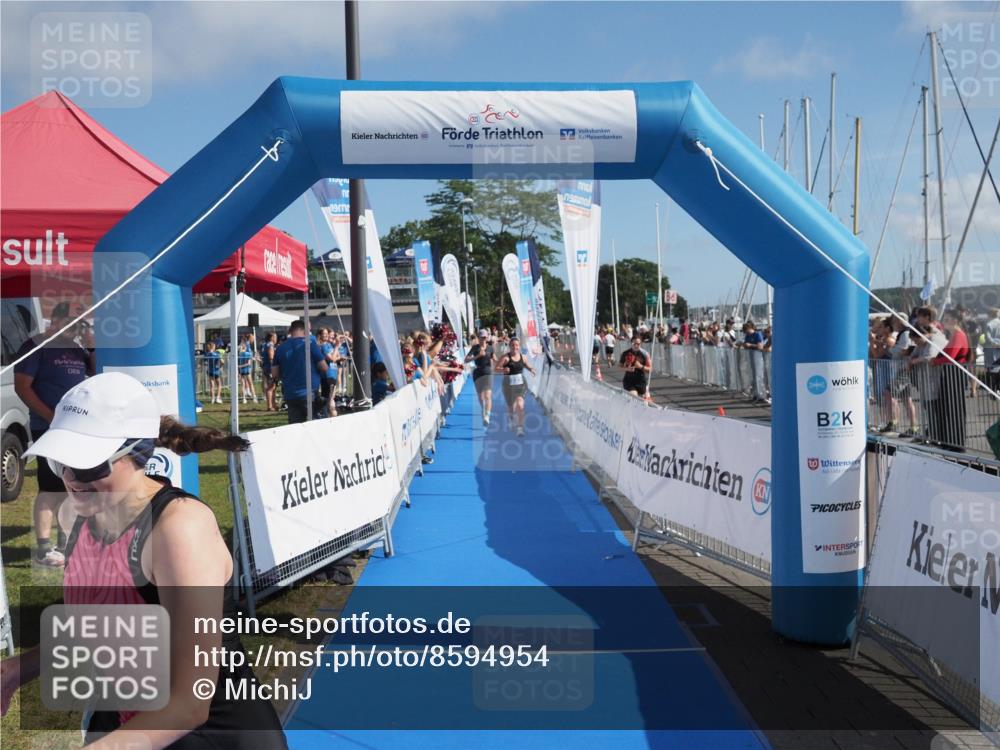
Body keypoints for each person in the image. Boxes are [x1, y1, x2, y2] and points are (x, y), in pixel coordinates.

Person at [0, 372, 288, 749]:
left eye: (86, 464)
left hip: (205, 735)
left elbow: (190, 704)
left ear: (136, 452)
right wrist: (14, 671)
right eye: (59, 461)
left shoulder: (179, 528)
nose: (69, 478)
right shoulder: (79, 516)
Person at [13, 301, 94, 568]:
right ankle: (44, 548)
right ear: (55, 321)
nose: (77, 327)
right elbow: (22, 387)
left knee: (73, 488)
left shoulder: (76, 348)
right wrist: (50, 416)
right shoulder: (37, 346)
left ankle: (65, 544)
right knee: (50, 488)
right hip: (49, 428)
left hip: (76, 429)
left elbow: (95, 369)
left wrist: (90, 338)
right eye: (73, 321)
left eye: (80, 323)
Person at [271, 320, 328, 424]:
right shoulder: (310, 344)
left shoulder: (280, 348)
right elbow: (324, 367)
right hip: (309, 394)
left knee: (295, 428)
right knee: (319, 426)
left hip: (290, 394)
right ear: (304, 330)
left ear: (291, 330)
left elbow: (274, 373)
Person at [932, 309, 970, 450]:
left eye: (947, 319)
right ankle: (950, 440)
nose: (944, 322)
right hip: (950, 374)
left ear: (955, 320)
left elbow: (951, 356)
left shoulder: (959, 335)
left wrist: (935, 361)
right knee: (949, 407)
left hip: (955, 374)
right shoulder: (954, 335)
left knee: (955, 408)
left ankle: (957, 443)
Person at [497, 338, 535, 436]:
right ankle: (512, 419)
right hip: (508, 385)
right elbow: (496, 368)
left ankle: (520, 429)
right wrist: (503, 369)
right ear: (510, 346)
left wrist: (531, 369)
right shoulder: (505, 358)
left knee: (520, 406)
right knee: (511, 407)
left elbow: (526, 365)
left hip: (520, 385)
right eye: (513, 345)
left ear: (519, 346)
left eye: (517, 345)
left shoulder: (523, 357)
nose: (515, 347)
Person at [465, 329, 495, 425]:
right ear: (478, 338)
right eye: (481, 337)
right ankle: (483, 410)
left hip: (488, 372)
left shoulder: (490, 348)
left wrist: (503, 363)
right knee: (481, 397)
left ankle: (487, 415)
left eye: (485, 337)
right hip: (478, 372)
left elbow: (495, 358)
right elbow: (466, 360)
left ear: (487, 337)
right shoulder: (475, 348)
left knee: (488, 395)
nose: (483, 339)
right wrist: (477, 356)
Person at [260, 332, 278, 412]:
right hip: (270, 368)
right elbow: (271, 357)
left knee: (273, 387)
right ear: (271, 338)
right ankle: (270, 406)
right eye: (275, 337)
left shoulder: (265, 344)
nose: (276, 339)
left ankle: (273, 405)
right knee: (271, 387)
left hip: (266, 367)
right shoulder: (270, 345)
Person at [237, 338, 256, 405]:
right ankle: (253, 397)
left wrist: (239, 367)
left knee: (243, 384)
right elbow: (249, 363)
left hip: (242, 370)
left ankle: (245, 398)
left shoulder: (239, 354)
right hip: (246, 370)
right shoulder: (247, 354)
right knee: (249, 384)